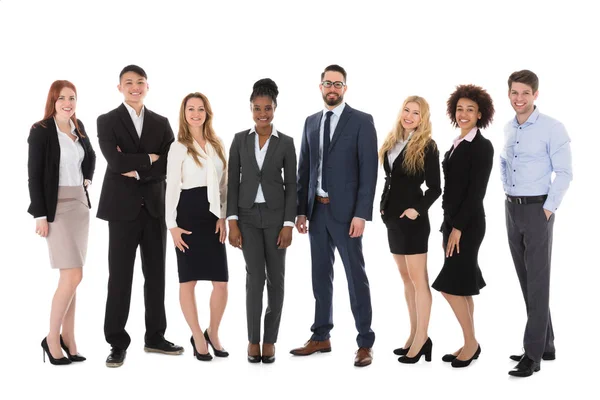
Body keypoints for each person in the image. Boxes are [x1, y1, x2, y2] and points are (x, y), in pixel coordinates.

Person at [291, 64, 378, 367]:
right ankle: (321, 335)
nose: (332, 88)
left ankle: (365, 342)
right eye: (327, 83)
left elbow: (369, 171)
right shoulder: (310, 122)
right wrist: (301, 211)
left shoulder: (362, 121)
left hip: (346, 215)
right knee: (319, 277)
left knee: (356, 277)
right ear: (320, 87)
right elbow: (304, 170)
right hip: (316, 213)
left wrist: (361, 215)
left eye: (337, 84)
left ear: (345, 88)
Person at [96, 65, 183, 368]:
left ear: (148, 86)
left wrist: (134, 168)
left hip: (155, 209)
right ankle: (117, 342)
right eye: (129, 82)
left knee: (156, 274)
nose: (135, 87)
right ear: (119, 87)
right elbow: (114, 160)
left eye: (140, 82)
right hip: (121, 210)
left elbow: (171, 164)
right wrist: (149, 159)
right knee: (120, 277)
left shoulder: (161, 122)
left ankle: (155, 337)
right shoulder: (106, 120)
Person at [501, 70, 572, 378]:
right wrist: (506, 189)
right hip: (512, 208)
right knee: (527, 280)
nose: (519, 99)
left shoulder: (552, 128)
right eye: (514, 93)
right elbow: (506, 162)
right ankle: (546, 343)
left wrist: (547, 210)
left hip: (537, 210)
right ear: (509, 94)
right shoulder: (508, 128)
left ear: (535, 95)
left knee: (538, 281)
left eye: (525, 93)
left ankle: (532, 356)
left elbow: (565, 173)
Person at [227, 79, 297, 364]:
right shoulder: (239, 140)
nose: (262, 113)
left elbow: (292, 186)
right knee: (254, 279)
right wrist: (232, 221)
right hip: (246, 218)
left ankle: (270, 340)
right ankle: (253, 340)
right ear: (251, 109)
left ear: (275, 108)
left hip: (275, 218)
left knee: (276, 281)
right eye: (257, 108)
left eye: (267, 108)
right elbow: (232, 183)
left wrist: (288, 224)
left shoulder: (287, 143)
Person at [28, 80, 96, 366]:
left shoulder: (78, 128)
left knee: (73, 277)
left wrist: (88, 178)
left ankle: (69, 338)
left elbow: (90, 157)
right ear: (53, 101)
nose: (68, 103)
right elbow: (34, 173)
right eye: (62, 98)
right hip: (56, 207)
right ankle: (52, 338)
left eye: (72, 98)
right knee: (72, 277)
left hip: (79, 205)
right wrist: (40, 215)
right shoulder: (41, 131)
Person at [432, 84, 494, 368]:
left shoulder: (482, 146)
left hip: (467, 225)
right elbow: (452, 189)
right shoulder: (457, 142)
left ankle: (471, 343)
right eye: (460, 109)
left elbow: (475, 192)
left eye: (470, 109)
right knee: (463, 286)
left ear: (480, 114)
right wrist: (447, 224)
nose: (464, 113)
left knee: (450, 286)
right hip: (452, 222)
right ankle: (470, 341)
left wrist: (457, 228)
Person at [165, 92, 229, 362]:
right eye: (190, 109)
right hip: (188, 215)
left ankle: (212, 332)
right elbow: (170, 188)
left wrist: (223, 216)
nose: (195, 113)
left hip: (213, 214)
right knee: (188, 280)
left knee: (221, 283)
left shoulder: (217, 143)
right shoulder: (179, 146)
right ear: (184, 113)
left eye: (200, 109)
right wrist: (172, 225)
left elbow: (224, 183)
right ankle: (197, 336)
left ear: (207, 112)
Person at [378, 96, 441, 363]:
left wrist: (417, 209)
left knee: (419, 280)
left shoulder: (427, 145)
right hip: (392, 219)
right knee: (406, 280)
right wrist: (383, 205)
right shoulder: (393, 140)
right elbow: (390, 178)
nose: (409, 116)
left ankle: (422, 338)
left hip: (413, 221)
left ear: (422, 119)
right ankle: (414, 333)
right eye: (407, 110)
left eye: (416, 113)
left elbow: (435, 188)